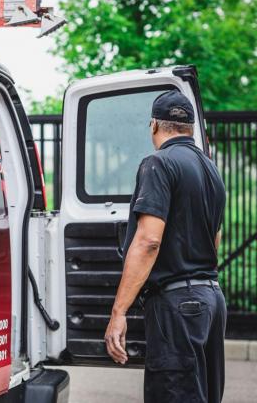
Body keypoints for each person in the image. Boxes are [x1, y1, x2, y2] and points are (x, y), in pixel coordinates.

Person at [104, 90, 227, 403]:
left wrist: (119, 312)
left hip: (178, 305)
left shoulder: (158, 164)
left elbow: (148, 240)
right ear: (189, 128)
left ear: (154, 126)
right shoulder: (211, 170)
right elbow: (216, 238)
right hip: (211, 300)